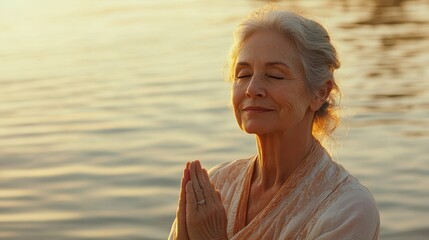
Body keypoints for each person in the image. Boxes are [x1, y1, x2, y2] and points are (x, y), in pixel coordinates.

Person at [169, 5, 380, 240]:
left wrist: (213, 236)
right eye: (243, 75)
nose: (252, 89)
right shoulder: (217, 185)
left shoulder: (347, 207)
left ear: (320, 92)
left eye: (274, 75)